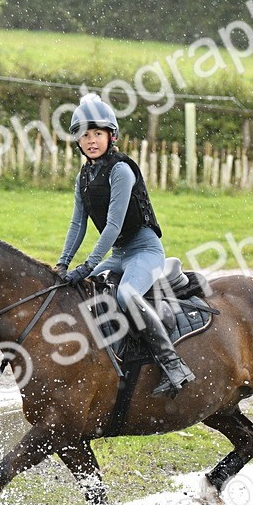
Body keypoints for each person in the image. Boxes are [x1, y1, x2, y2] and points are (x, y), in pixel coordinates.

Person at [54, 93, 196, 397]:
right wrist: (63, 264)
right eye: (85, 134)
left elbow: (114, 226)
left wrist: (88, 265)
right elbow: (77, 225)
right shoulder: (84, 176)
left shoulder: (121, 170)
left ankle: (174, 365)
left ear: (111, 136)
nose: (91, 140)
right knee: (84, 292)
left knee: (127, 293)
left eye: (98, 134)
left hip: (144, 252)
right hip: (119, 254)